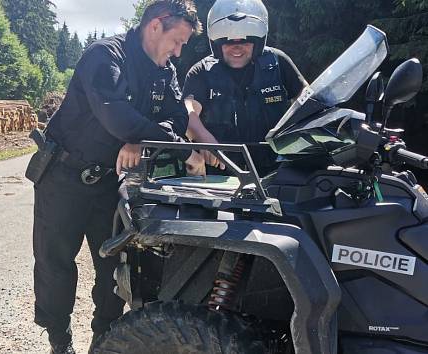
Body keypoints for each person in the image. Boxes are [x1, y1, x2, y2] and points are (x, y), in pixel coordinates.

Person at [27, 1, 205, 353]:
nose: (179, 52)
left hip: (113, 183)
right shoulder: (106, 55)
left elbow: (178, 118)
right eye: (178, 41)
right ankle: (59, 341)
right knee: (55, 265)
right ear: (156, 26)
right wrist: (141, 134)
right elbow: (116, 118)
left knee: (115, 268)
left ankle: (103, 340)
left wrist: (141, 137)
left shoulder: (164, 70)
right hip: (64, 177)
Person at [183, 0, 307, 177]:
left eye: (245, 41)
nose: (237, 48)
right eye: (228, 42)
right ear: (216, 44)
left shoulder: (277, 62)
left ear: (258, 42)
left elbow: (308, 100)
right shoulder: (201, 71)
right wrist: (207, 141)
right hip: (223, 174)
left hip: (277, 171)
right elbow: (188, 114)